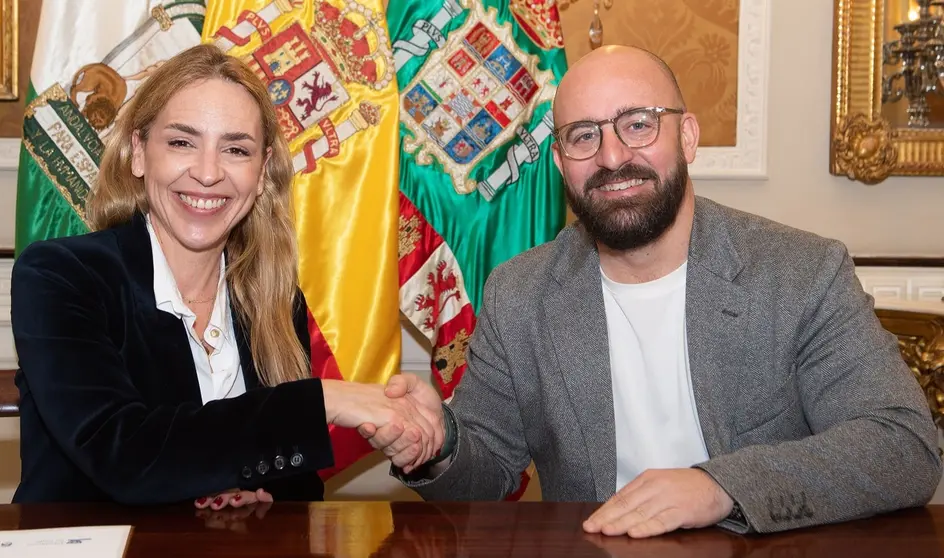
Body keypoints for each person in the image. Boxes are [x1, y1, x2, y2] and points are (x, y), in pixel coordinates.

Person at [362, 45, 942, 537]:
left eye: (638, 124)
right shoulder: (520, 293)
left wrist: (721, 488)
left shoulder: (802, 272)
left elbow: (903, 446)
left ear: (687, 136)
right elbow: (485, 476)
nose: (613, 157)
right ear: (562, 163)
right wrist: (437, 444)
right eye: (583, 137)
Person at [10, 44, 440, 507]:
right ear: (138, 153)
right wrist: (324, 400)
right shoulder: (59, 276)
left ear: (260, 175)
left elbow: (296, 487)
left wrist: (259, 499)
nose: (209, 173)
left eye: (236, 149)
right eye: (182, 142)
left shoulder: (273, 298)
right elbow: (123, 454)